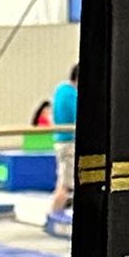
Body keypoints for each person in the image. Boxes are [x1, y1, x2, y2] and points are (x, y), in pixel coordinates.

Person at [49, 61, 79, 223]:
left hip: (61, 140)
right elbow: (79, 116)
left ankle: (53, 215)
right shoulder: (72, 94)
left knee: (63, 181)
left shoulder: (60, 89)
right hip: (68, 143)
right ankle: (53, 217)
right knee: (66, 185)